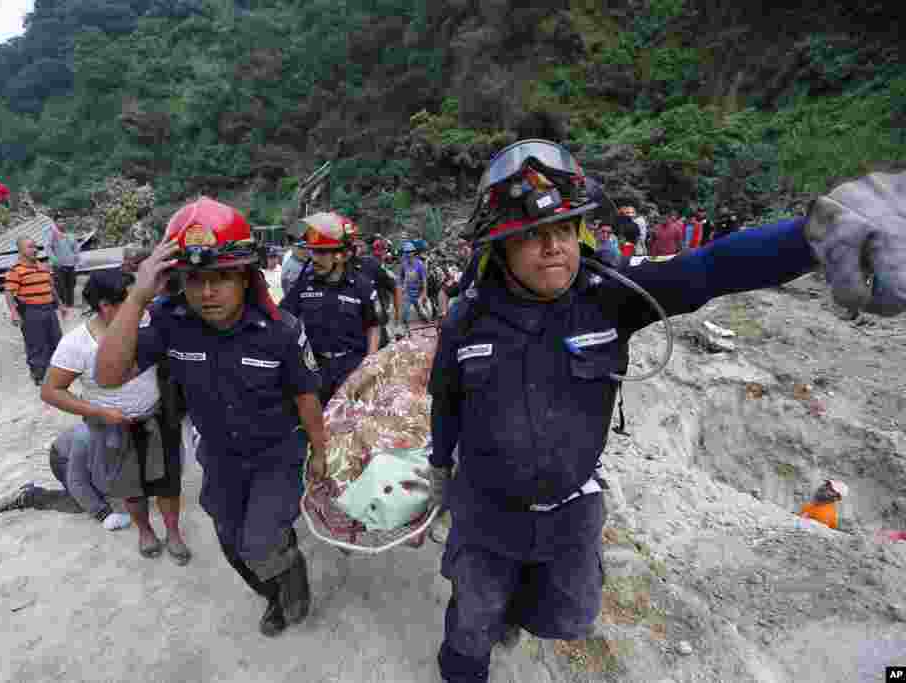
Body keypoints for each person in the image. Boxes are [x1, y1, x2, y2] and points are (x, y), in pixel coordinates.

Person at [425, 138, 905, 683]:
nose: (553, 246)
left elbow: (710, 268)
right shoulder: (466, 321)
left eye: (563, 230)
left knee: (564, 616)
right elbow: (445, 402)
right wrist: (441, 468)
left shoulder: (613, 295)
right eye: (531, 235)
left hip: (569, 515)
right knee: (470, 626)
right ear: (501, 247)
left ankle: (508, 616)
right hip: (486, 513)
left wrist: (807, 236)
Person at [95, 197, 328, 637]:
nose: (206, 292)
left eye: (221, 278)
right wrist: (138, 295)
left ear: (245, 277)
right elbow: (107, 375)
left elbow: (305, 396)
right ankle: (272, 596)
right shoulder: (169, 320)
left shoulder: (280, 330)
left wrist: (320, 451)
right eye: (196, 279)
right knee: (231, 542)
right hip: (221, 458)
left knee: (259, 540)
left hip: (276, 455)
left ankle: (291, 578)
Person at [41, 269, 190, 563]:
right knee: (131, 489)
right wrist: (98, 412)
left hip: (158, 420)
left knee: (168, 484)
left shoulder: (146, 322)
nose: (142, 307)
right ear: (107, 306)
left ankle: (173, 533)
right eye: (132, 301)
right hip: (112, 429)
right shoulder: (77, 344)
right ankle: (145, 532)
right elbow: (51, 391)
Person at [280, 212, 381, 406]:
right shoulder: (305, 284)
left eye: (321, 252)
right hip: (315, 369)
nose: (314, 258)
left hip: (352, 368)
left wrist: (370, 364)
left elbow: (373, 325)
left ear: (341, 255)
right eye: (312, 251)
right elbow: (282, 316)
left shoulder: (362, 286)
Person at [0, 424, 133, 531]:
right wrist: (104, 514)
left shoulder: (125, 434)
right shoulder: (86, 440)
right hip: (62, 459)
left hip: (92, 456)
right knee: (83, 501)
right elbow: (77, 482)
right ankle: (29, 496)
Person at [4, 237, 66, 385]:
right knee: (36, 345)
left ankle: (56, 374)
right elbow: (9, 293)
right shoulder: (15, 270)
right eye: (30, 247)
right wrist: (14, 312)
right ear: (21, 250)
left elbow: (51, 287)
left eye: (35, 247)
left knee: (56, 341)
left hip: (49, 310)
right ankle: (40, 376)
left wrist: (60, 305)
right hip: (31, 312)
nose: (35, 249)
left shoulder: (43, 267)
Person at [352, 236, 402, 349]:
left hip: (373, 323)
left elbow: (396, 286)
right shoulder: (371, 263)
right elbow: (396, 287)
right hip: (362, 326)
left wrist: (398, 318)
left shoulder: (370, 263)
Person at [44, 215, 80, 308]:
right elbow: (48, 248)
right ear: (55, 223)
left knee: (71, 285)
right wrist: (54, 260)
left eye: (63, 221)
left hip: (71, 264)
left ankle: (70, 305)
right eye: (59, 221)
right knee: (61, 286)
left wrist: (76, 256)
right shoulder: (52, 233)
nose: (62, 223)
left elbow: (75, 247)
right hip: (59, 265)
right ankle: (62, 305)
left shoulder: (70, 234)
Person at [399, 241, 431, 328]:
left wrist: (424, 293)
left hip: (419, 292)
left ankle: (423, 312)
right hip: (408, 293)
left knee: (426, 317)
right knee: (404, 316)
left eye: (410, 252)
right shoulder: (403, 264)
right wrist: (402, 287)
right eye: (406, 252)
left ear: (413, 252)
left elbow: (424, 280)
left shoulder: (420, 264)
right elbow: (401, 277)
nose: (408, 254)